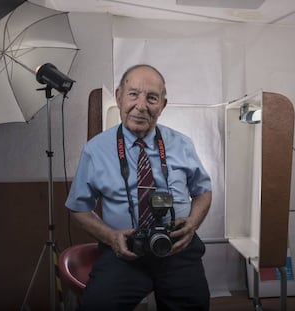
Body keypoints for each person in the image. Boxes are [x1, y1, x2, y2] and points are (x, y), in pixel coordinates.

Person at [65, 64, 212, 310]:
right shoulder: (95, 149)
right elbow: (78, 208)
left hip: (177, 249)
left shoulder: (182, 144)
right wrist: (111, 238)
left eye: (152, 97)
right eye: (133, 94)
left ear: (162, 106)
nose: (141, 105)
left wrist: (193, 224)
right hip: (124, 253)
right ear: (119, 96)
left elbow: (203, 191)